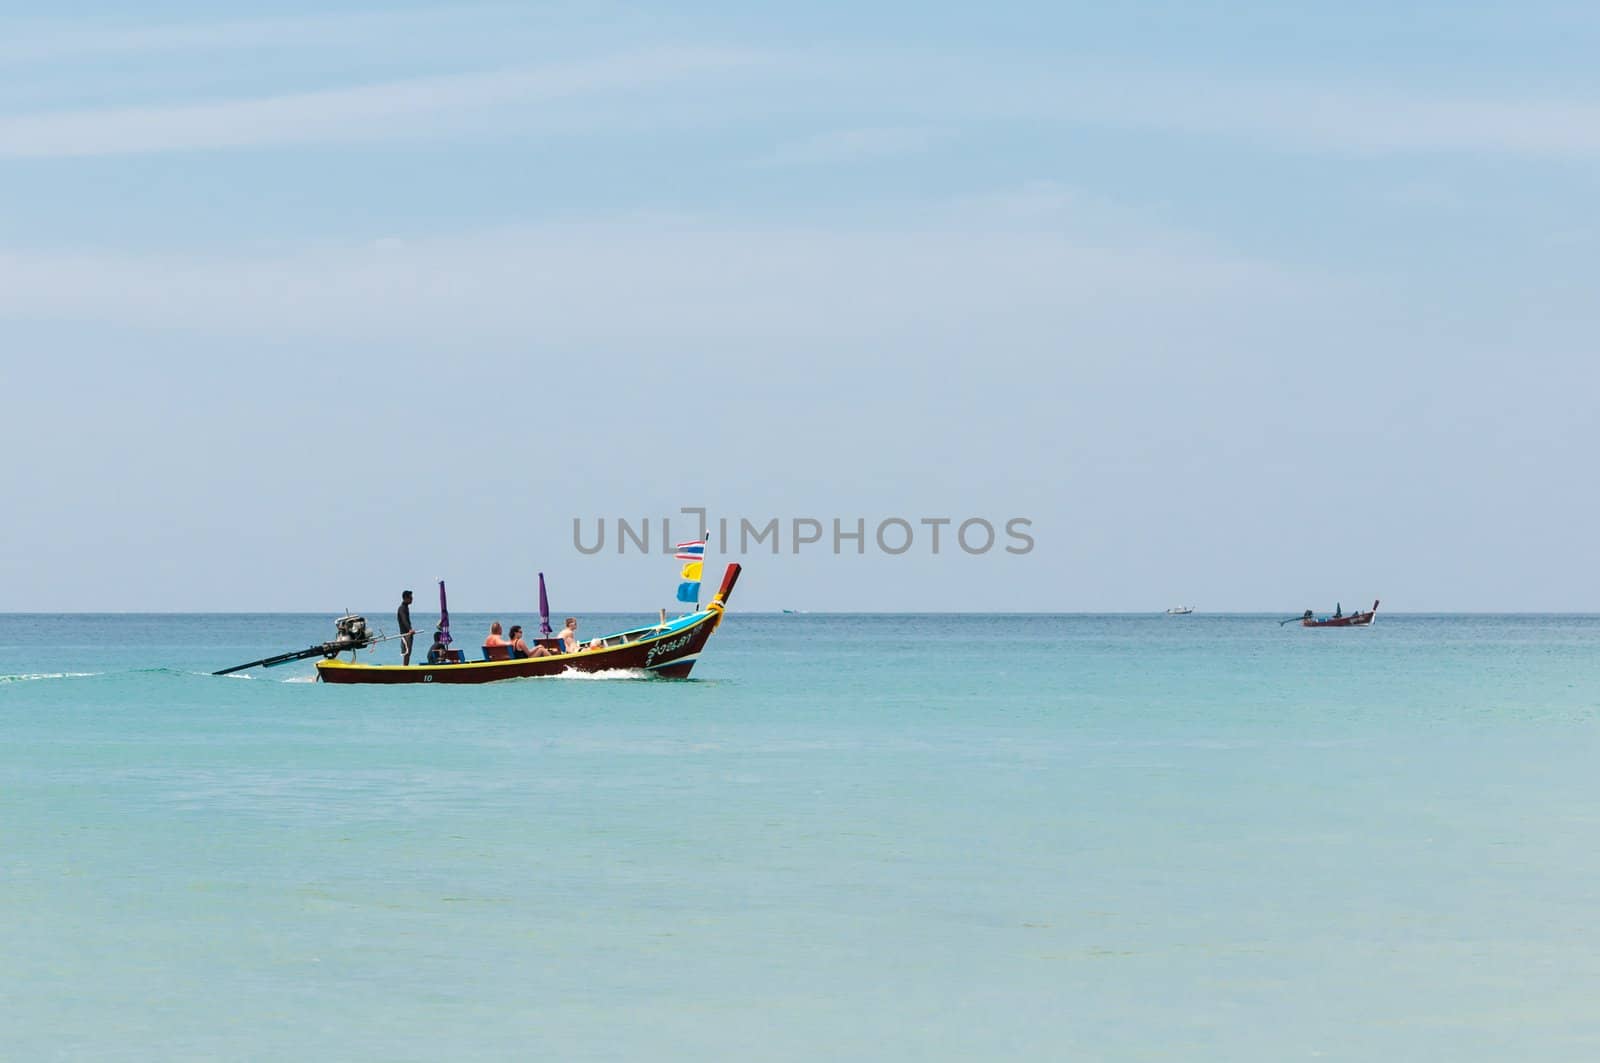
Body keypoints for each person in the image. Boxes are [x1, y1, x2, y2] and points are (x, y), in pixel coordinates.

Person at [397, 590, 416, 666]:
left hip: (408, 633)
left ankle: (406, 666)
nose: (412, 599)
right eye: (410, 598)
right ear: (405, 598)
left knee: (408, 652)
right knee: (406, 652)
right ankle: (405, 667)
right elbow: (404, 619)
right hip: (405, 634)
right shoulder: (402, 608)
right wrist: (409, 629)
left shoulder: (406, 607)